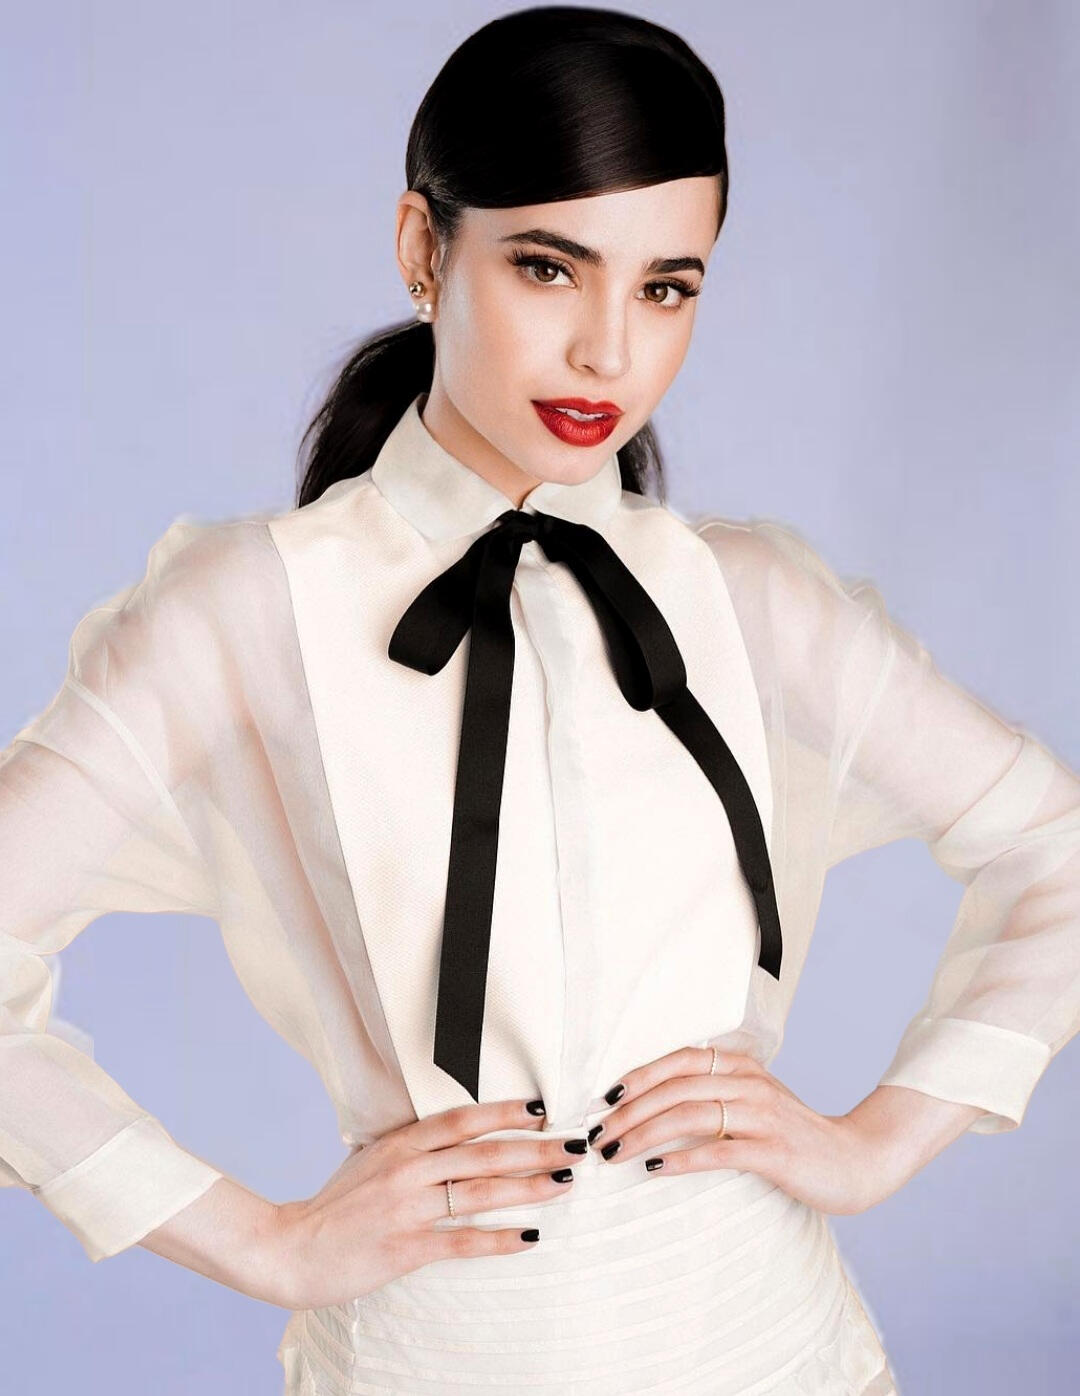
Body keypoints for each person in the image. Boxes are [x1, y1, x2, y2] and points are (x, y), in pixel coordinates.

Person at [2, 6, 1077, 1393]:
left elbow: (1057, 851)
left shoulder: (752, 598)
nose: (608, 353)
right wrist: (268, 1243)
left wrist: (874, 1144)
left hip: (774, 1347)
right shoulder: (247, 609)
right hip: (432, 1359)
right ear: (423, 249)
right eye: (550, 267)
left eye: (667, 288)